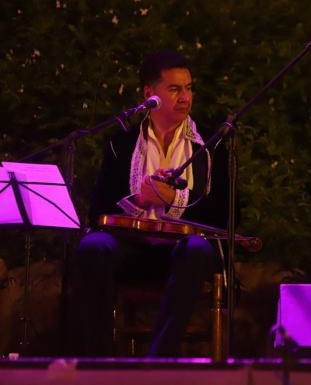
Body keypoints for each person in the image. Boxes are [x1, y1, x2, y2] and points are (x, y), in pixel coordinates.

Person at [71, 50, 232, 357]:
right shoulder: (121, 144)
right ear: (149, 94)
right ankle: (99, 360)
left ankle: (159, 360)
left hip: (181, 251)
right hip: (132, 249)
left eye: (189, 88)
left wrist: (174, 201)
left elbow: (222, 215)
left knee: (198, 249)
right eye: (174, 89)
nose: (185, 97)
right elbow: (98, 211)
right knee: (93, 247)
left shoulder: (212, 144)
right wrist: (139, 200)